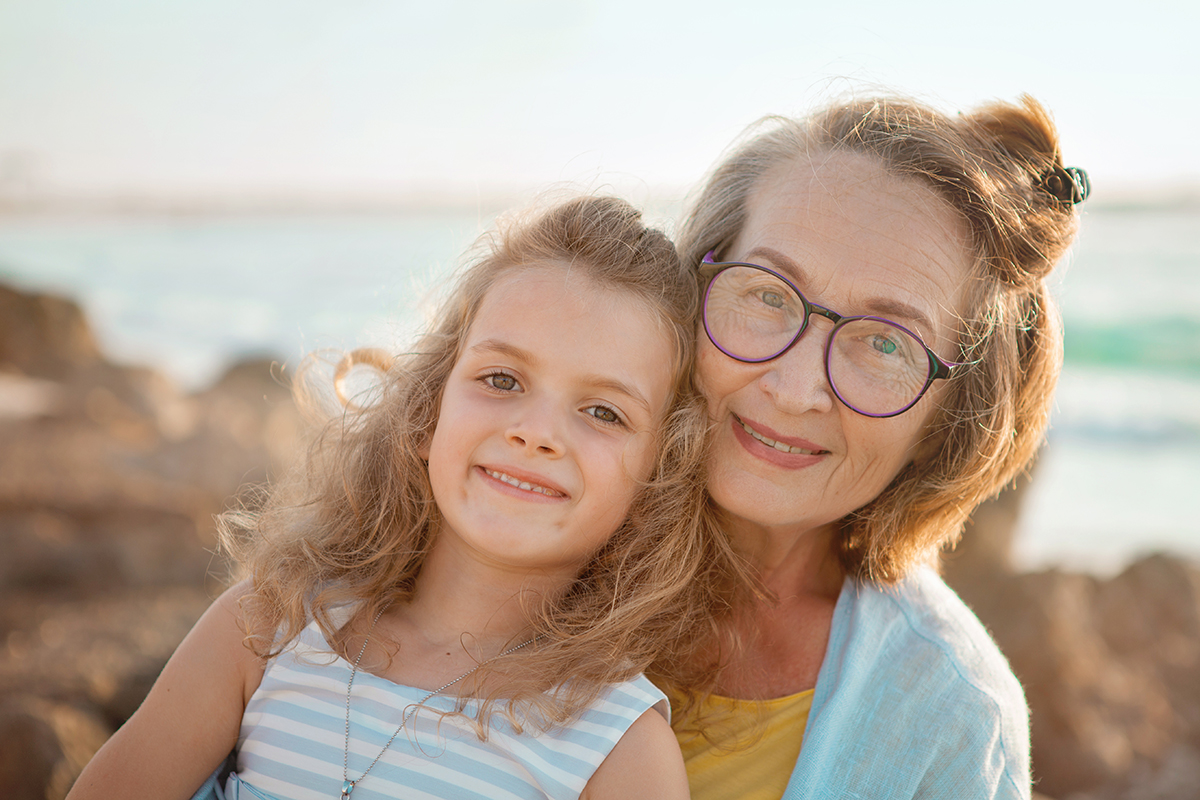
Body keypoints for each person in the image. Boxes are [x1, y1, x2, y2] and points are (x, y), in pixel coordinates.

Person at [66, 196, 742, 800]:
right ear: (425, 413)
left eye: (602, 412)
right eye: (502, 379)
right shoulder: (272, 625)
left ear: (658, 478)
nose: (535, 433)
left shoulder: (616, 751)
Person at [669, 94, 1089, 799]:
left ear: (951, 418)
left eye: (886, 342)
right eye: (769, 295)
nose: (797, 387)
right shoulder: (509, 527)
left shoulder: (954, 717)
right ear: (693, 287)